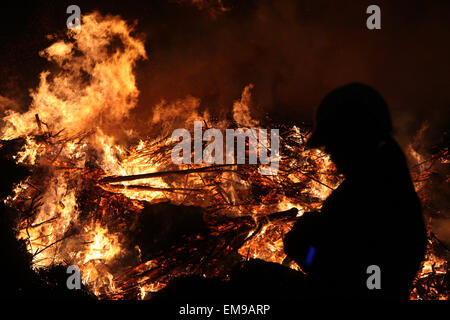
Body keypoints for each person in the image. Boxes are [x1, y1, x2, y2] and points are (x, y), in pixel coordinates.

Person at [283, 83, 427, 299]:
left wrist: (305, 249)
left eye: (333, 142)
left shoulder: (373, 195)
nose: (329, 152)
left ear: (355, 137)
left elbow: (350, 278)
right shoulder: (384, 177)